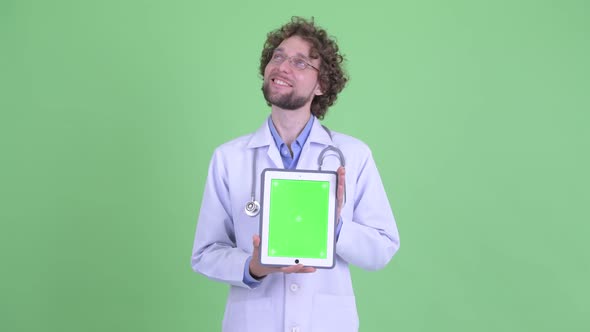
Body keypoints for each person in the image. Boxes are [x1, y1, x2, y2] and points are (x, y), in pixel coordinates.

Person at [191, 17, 400, 332]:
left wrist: (336, 226)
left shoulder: (353, 155)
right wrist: (253, 267)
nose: (283, 66)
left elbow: (382, 249)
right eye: (278, 56)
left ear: (321, 85)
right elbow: (206, 253)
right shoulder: (229, 158)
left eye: (300, 62)